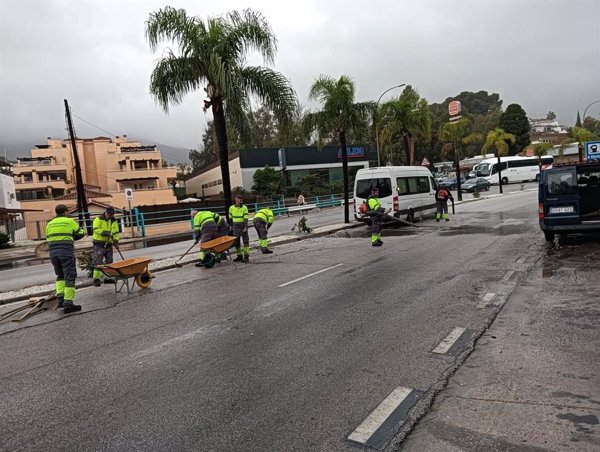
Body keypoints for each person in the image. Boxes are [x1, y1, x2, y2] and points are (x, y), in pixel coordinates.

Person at [46, 204, 85, 313]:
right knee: (69, 277)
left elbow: (48, 238)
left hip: (53, 254)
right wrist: (71, 237)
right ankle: (68, 304)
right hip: (66, 253)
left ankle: (61, 300)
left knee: (60, 276)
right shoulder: (69, 221)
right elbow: (81, 233)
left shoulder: (49, 224)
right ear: (65, 212)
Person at [92, 207, 120, 286]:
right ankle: (96, 279)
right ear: (106, 213)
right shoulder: (98, 219)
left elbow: (116, 233)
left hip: (108, 244)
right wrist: (106, 233)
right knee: (98, 262)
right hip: (99, 244)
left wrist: (116, 242)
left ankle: (107, 278)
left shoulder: (114, 222)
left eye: (111, 215)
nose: (109, 216)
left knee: (109, 262)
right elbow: (96, 230)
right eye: (108, 214)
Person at [229, 194, 250, 262]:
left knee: (245, 241)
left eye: (241, 200)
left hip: (242, 225)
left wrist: (245, 227)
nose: (241, 202)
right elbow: (230, 218)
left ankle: (246, 256)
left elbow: (246, 218)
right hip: (235, 226)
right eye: (239, 200)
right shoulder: (231, 208)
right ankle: (239, 256)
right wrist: (231, 226)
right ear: (236, 200)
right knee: (236, 242)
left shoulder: (244, 208)